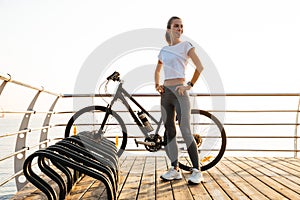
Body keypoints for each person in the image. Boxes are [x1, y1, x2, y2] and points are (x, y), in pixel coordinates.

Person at [154, 16, 204, 184]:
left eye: (181, 26)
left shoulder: (186, 46)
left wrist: (189, 85)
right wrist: (157, 84)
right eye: (176, 26)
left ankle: (197, 170)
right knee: (169, 131)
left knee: (185, 130)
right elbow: (158, 69)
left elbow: (200, 67)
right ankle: (174, 169)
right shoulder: (164, 50)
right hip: (166, 94)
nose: (179, 29)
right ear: (169, 29)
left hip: (180, 92)